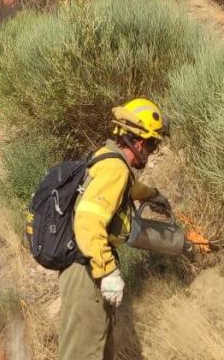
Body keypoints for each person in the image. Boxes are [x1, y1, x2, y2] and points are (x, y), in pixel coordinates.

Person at [58, 98, 172, 360]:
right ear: (139, 142)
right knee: (84, 354)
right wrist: (107, 270)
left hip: (87, 266)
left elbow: (123, 189)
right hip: (86, 270)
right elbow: (87, 221)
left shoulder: (108, 158)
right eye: (153, 144)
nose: (152, 152)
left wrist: (150, 194)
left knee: (101, 348)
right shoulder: (115, 169)